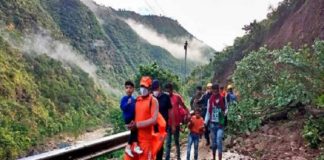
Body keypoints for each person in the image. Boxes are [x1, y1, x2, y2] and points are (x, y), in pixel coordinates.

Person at [124, 76, 159, 160]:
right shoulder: (137, 100)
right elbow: (132, 115)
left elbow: (154, 120)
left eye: (145, 87)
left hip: (146, 142)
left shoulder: (153, 101)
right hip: (135, 141)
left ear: (150, 88)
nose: (143, 89)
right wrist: (130, 124)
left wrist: (137, 125)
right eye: (142, 86)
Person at [165, 83, 189, 160]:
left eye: (169, 90)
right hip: (168, 124)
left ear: (172, 89)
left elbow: (183, 105)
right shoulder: (165, 98)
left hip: (176, 124)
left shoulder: (177, 97)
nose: (168, 91)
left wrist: (187, 112)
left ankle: (178, 157)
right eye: (167, 90)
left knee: (176, 141)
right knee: (168, 143)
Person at [120, 80, 143, 157]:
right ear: (125, 89)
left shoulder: (134, 99)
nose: (128, 89)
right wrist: (127, 103)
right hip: (127, 119)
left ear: (133, 89)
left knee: (134, 131)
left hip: (133, 119)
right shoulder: (124, 99)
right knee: (134, 130)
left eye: (130, 88)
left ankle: (131, 147)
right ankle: (133, 146)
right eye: (127, 88)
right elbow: (122, 108)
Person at [204, 84, 227, 160]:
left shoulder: (223, 98)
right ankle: (214, 157)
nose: (215, 91)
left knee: (219, 141)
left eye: (216, 90)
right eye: (213, 90)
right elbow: (208, 112)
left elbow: (226, 108)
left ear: (218, 90)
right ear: (212, 91)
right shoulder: (209, 100)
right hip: (212, 124)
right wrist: (205, 122)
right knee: (213, 144)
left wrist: (224, 113)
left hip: (220, 123)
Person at [152, 79, 172, 160]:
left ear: (159, 88)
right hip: (152, 127)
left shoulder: (166, 97)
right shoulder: (151, 98)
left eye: (156, 88)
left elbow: (170, 111)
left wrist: (172, 124)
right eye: (153, 89)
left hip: (163, 127)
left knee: (160, 145)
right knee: (153, 145)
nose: (155, 91)